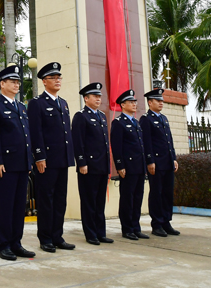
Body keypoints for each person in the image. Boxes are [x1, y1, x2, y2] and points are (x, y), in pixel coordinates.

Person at [0, 65, 35, 261]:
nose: (16, 84)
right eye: (12, 81)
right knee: (5, 206)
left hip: (22, 164)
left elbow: (26, 136)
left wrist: (29, 161)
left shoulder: (21, 107)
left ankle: (16, 242)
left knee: (19, 206)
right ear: (2, 84)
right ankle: (3, 244)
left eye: (18, 82)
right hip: (5, 165)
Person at [27, 62, 75, 253]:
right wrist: (39, 157)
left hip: (62, 159)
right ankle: (45, 238)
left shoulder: (63, 103)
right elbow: (35, 132)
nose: (57, 80)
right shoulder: (37, 103)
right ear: (44, 81)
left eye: (59, 77)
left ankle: (57, 236)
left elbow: (66, 133)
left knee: (60, 200)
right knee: (46, 200)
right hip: (46, 161)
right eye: (53, 78)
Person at [71, 82, 114, 245]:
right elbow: (78, 142)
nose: (98, 99)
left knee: (99, 202)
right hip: (88, 167)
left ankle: (100, 232)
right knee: (89, 201)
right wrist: (81, 163)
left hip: (101, 167)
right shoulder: (81, 116)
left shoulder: (102, 116)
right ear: (86, 98)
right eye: (95, 96)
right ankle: (90, 234)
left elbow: (104, 143)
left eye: (99, 96)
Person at [140, 88, 180, 237]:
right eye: (158, 100)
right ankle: (156, 223)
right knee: (157, 192)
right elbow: (147, 142)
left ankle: (166, 221)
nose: (161, 102)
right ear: (150, 102)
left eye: (162, 100)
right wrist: (150, 161)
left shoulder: (163, 118)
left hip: (167, 162)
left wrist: (174, 158)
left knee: (167, 193)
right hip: (156, 163)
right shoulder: (146, 119)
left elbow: (169, 141)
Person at [110, 89, 148, 241]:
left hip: (139, 166)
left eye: (135, 102)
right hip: (128, 167)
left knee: (138, 198)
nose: (134, 104)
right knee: (127, 198)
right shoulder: (118, 123)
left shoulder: (136, 123)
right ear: (123, 105)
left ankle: (135, 226)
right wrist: (120, 165)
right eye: (131, 102)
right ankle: (127, 228)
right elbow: (117, 146)